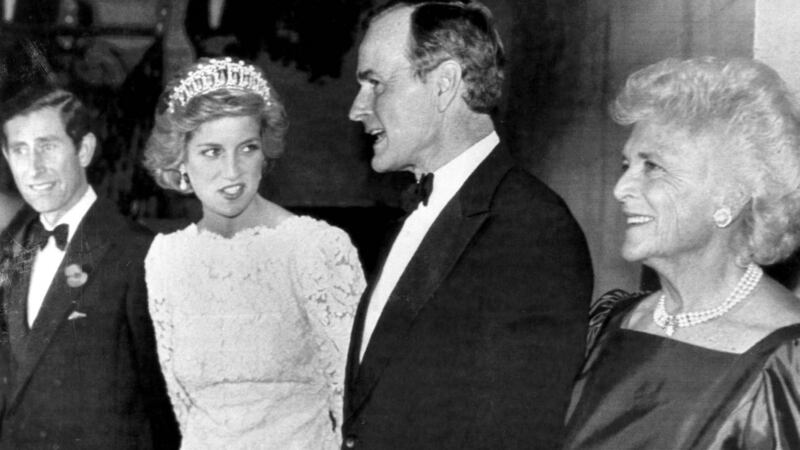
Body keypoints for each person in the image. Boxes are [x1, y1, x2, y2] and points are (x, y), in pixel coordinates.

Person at [343, 2, 594, 449]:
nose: (357, 109)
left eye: (375, 83)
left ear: (444, 84)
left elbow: (515, 432)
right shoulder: (413, 210)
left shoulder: (534, 229)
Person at [563, 57, 800, 449]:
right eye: (626, 164)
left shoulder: (787, 362)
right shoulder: (610, 323)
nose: (621, 188)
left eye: (653, 167)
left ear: (730, 198)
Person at [143, 57, 366, 449]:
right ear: (181, 159)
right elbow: (181, 405)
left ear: (265, 152)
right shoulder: (166, 258)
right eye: (211, 151)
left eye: (247, 148)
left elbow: (356, 398)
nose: (232, 172)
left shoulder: (314, 248)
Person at [0, 86, 180, 448]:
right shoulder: (11, 250)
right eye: (20, 150)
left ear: (84, 149)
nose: (33, 167)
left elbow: (166, 406)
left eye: (48, 146)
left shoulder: (140, 253)